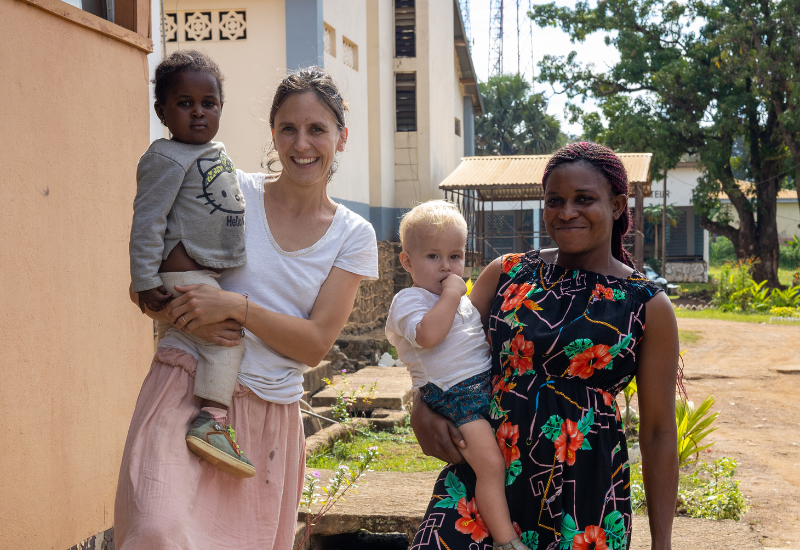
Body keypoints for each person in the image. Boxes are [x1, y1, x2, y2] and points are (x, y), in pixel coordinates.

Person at [115, 66, 378, 550]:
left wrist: (235, 306)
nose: (302, 144)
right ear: (273, 134)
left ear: (341, 138)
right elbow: (146, 287)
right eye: (288, 129)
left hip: (268, 419)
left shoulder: (354, 236)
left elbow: (316, 343)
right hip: (186, 388)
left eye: (317, 129)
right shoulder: (227, 189)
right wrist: (182, 310)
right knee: (156, 531)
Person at [410, 142, 679, 550]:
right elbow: (442, 352)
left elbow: (659, 432)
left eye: (584, 199)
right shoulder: (506, 273)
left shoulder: (645, 304)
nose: (566, 212)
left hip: (582, 494)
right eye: (555, 200)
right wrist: (420, 411)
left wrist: (662, 544)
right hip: (486, 478)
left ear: (619, 205)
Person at [130, 49, 255, 478]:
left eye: (209, 103)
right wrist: (145, 281)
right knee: (227, 340)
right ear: (162, 111)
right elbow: (147, 222)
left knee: (210, 340)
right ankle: (212, 422)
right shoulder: (165, 157)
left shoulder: (215, 151)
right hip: (184, 276)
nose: (198, 112)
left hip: (202, 273)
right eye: (184, 104)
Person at [386, 200, 529, 550]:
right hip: (455, 395)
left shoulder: (458, 299)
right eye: (432, 257)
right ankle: (506, 541)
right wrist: (452, 294)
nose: (446, 267)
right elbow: (429, 336)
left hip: (482, 386)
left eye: (455, 256)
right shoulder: (409, 301)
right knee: (491, 467)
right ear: (408, 262)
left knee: (503, 460)